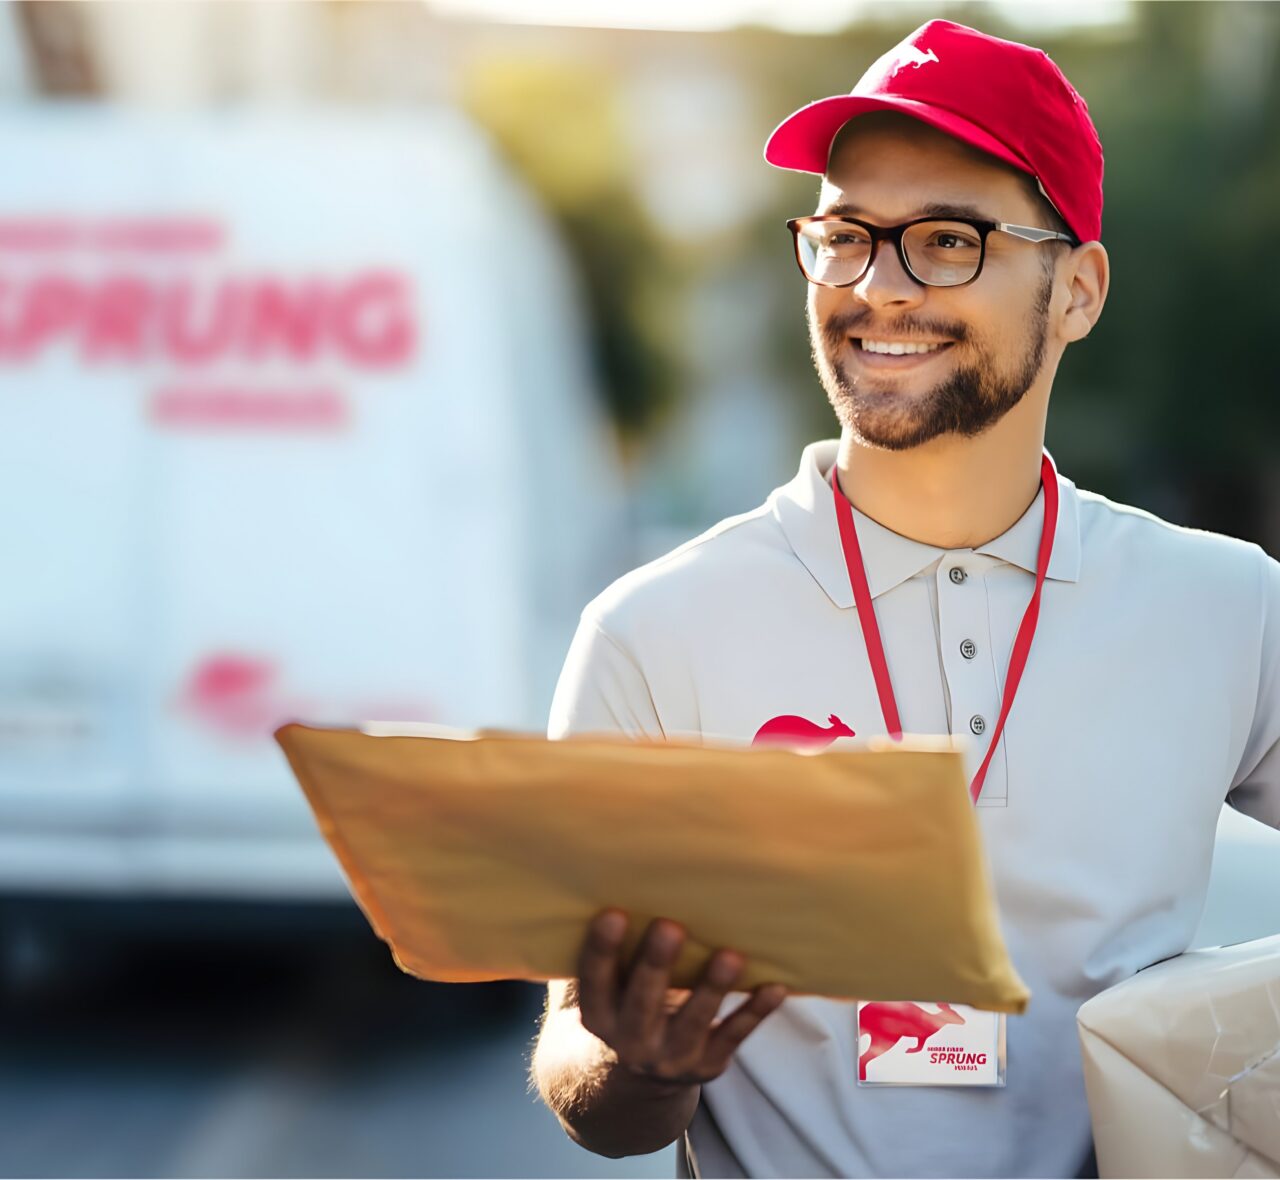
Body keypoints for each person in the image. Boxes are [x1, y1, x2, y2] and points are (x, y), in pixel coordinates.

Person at [530, 18, 1280, 1179]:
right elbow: (586, 1087)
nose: (876, 287)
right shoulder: (652, 632)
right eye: (843, 236)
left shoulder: (1226, 608)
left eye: (944, 241)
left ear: (1076, 290)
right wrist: (641, 1063)